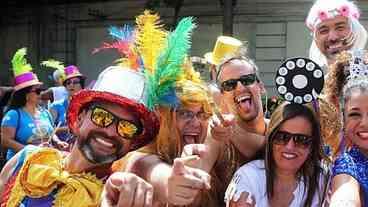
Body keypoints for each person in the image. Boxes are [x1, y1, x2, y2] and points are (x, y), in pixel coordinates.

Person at [0, 65, 160, 207]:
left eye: (126, 127)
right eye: (101, 117)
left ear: (132, 142)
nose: (111, 132)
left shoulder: (116, 195)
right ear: (80, 118)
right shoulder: (26, 159)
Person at [225, 103, 330, 207]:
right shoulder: (248, 176)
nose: (290, 146)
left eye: (301, 140)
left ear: (312, 146)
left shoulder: (321, 179)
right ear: (270, 139)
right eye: (282, 137)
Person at [1, 48, 55, 161]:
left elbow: (52, 133)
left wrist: (58, 141)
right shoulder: (14, 114)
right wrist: (29, 151)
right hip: (20, 167)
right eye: (37, 91)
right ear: (26, 95)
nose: (41, 94)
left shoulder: (45, 112)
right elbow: (4, 140)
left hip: (45, 164)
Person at [329, 50, 368, 206]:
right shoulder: (348, 162)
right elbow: (345, 196)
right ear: (343, 118)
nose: (365, 123)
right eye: (354, 114)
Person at [306, 0, 367, 71]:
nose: (333, 38)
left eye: (340, 28)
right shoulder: (313, 80)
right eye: (324, 31)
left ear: (355, 31)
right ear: (315, 39)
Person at [44, 61, 86, 149]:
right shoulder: (56, 106)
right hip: (61, 148)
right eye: (68, 83)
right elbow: (48, 131)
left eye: (75, 82)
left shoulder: (88, 106)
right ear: (65, 86)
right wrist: (68, 129)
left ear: (81, 85)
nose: (71, 85)